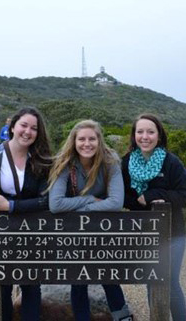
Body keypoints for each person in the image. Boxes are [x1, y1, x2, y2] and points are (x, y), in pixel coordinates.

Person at [47, 120, 133, 321]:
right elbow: (55, 204)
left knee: (108, 275)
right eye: (82, 139)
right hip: (75, 231)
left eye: (92, 139)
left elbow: (115, 202)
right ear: (74, 141)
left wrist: (81, 208)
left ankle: (123, 317)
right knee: (79, 278)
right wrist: (88, 200)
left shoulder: (110, 161)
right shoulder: (66, 163)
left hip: (101, 229)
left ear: (99, 140)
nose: (87, 144)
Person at [0, 107, 52, 321]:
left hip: (32, 231)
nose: (28, 131)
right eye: (24, 125)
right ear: (12, 127)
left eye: (34, 128)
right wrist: (27, 204)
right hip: (0, 231)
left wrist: (10, 206)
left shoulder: (41, 160)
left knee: (31, 286)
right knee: (3, 288)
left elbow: (45, 200)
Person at [122, 114, 186, 321]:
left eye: (150, 132)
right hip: (143, 234)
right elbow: (124, 197)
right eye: (140, 132)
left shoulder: (171, 162)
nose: (145, 136)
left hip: (173, 234)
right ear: (134, 135)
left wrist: (153, 195)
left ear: (159, 135)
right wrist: (140, 202)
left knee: (170, 282)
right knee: (151, 280)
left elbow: (185, 196)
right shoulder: (126, 162)